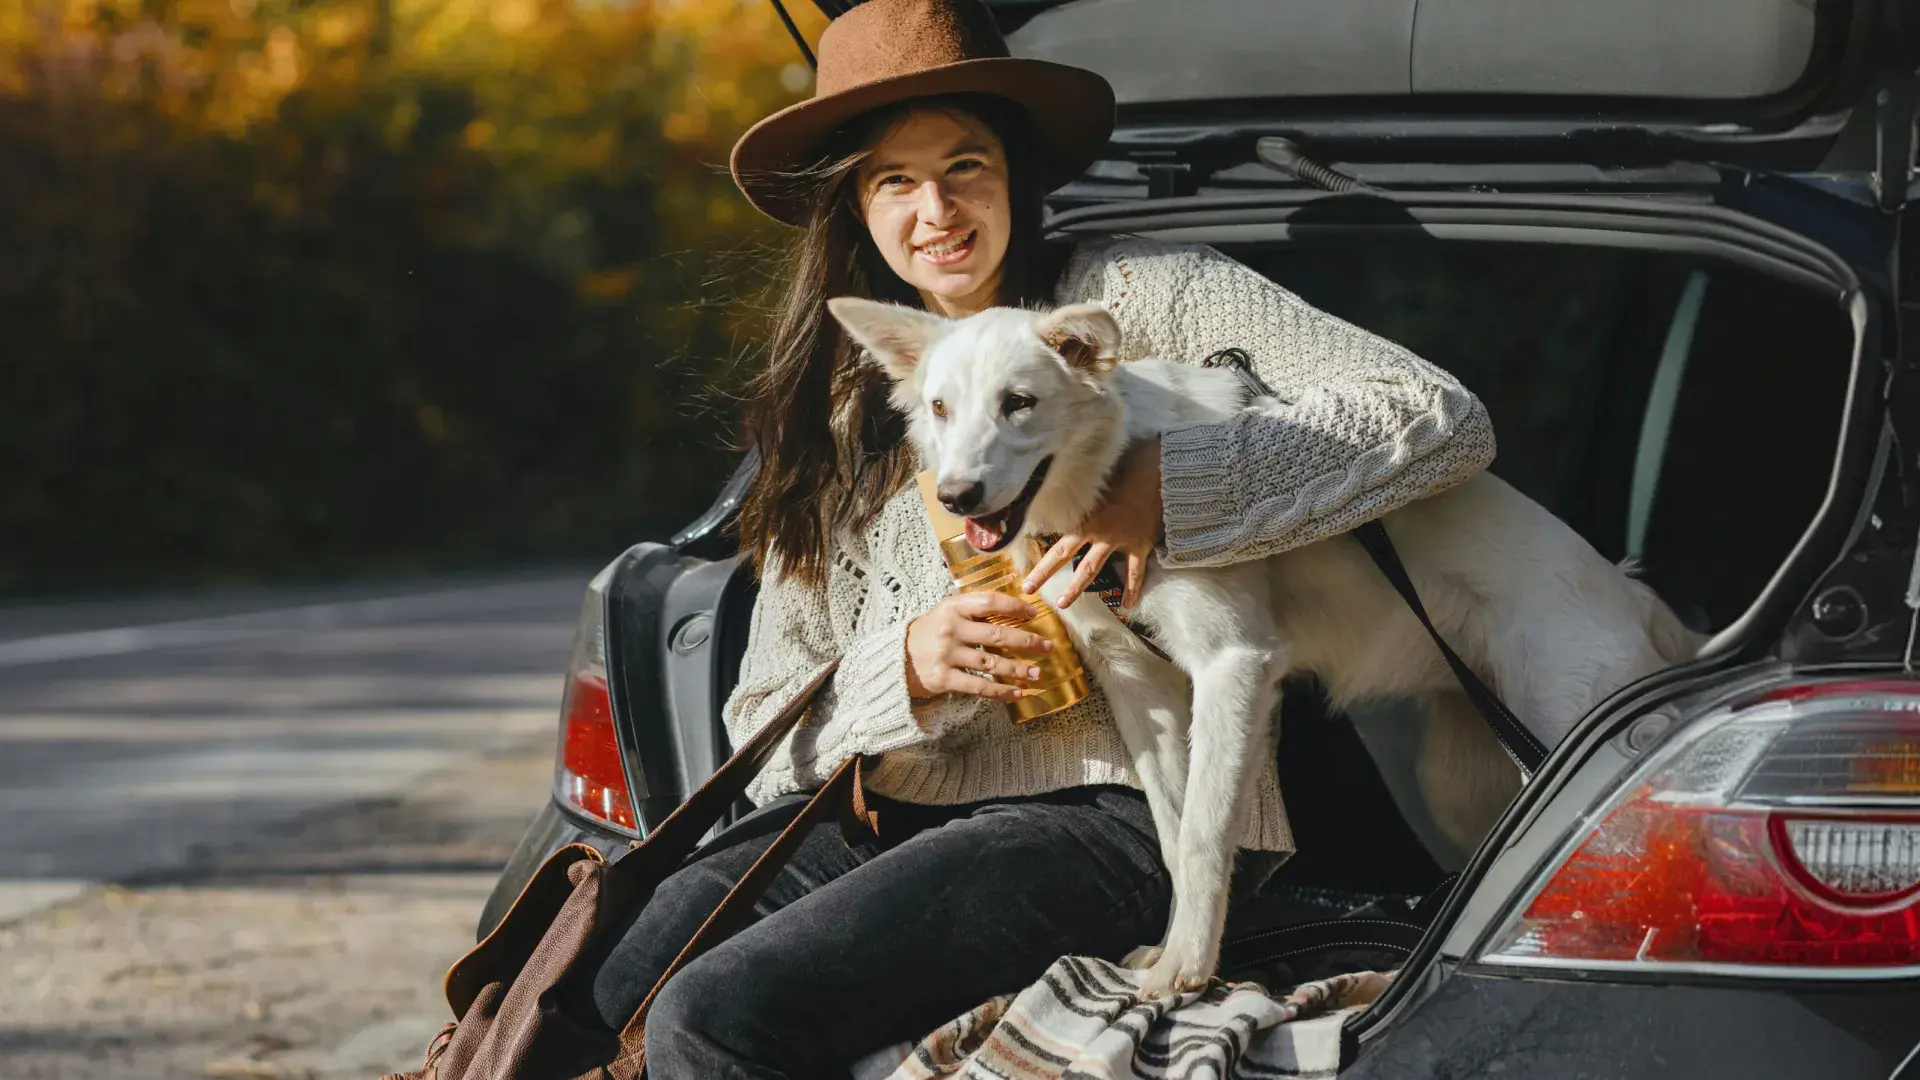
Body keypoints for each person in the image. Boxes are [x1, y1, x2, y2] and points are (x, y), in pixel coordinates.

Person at [587, 0, 1497, 1074]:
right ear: (856, 207)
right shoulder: (846, 406)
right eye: (894, 180)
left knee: (715, 1020)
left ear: (1015, 169)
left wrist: (1167, 483)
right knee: (608, 982)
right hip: (892, 811)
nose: (937, 209)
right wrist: (903, 671)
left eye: (964, 165)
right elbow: (760, 725)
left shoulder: (1148, 296)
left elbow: (1435, 415)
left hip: (1109, 811)